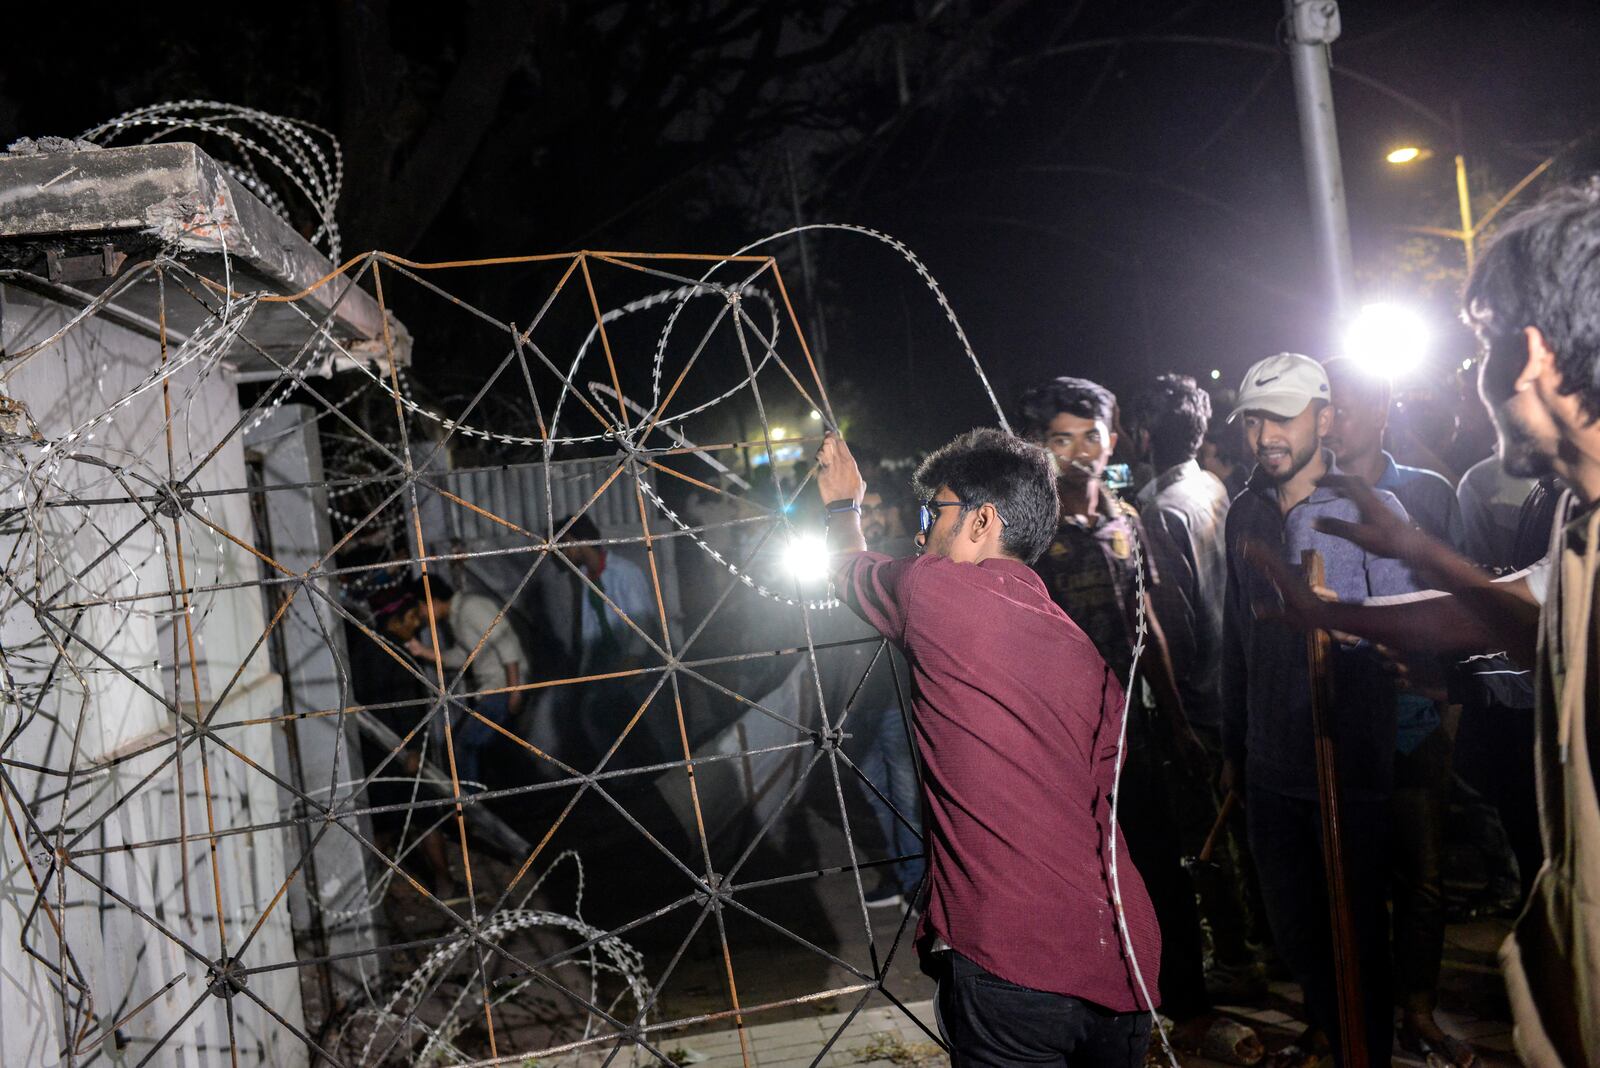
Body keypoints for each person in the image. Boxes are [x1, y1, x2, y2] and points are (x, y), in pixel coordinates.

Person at [1243, 183, 1600, 1066]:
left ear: (1530, 355)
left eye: (1476, 345)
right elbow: (1525, 617)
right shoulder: (1578, 514)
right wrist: (1349, 601)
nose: (1465, 378)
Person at [817, 427, 1159, 1066]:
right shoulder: (1087, 654)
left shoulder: (936, 592)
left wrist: (843, 506)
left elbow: (847, 568)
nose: (921, 535)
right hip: (1123, 959)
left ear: (981, 520)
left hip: (1014, 964)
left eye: (933, 513)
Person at [1016, 377, 1249, 1059]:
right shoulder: (1022, 536)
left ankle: (1187, 1008)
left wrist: (1175, 722)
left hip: (1132, 739)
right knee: (1079, 887)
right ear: (1038, 447)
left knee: (1159, 875)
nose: (1083, 453)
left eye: (1094, 436)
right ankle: (1094, 1018)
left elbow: (1146, 622)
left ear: (1114, 439)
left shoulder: (1123, 519)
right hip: (1057, 750)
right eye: (1064, 439)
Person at [1221, 352, 1423, 1067]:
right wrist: (1233, 749)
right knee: (1298, 938)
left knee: (1358, 939)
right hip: (1271, 766)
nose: (1265, 434)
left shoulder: (1371, 511)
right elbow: (1235, 636)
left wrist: (1355, 629)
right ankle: (1333, 1038)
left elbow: (1409, 637)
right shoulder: (1243, 510)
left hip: (1347, 765)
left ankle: (1365, 1052)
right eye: (1254, 419)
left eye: (1283, 416)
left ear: (1325, 418)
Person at [1321, 355, 1473, 1066]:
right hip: (1337, 720)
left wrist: (1451, 699)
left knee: (1423, 872)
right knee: (1350, 876)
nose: (1333, 421)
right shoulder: (1300, 495)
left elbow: (1468, 593)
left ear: (1380, 410)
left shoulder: (1429, 493)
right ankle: (1355, 1011)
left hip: (1417, 713)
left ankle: (1418, 1006)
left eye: (1345, 406)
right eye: (1325, 407)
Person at [852, 488, 924, 908]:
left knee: (905, 792)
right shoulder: (842, 560)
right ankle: (904, 874)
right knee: (874, 790)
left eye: (879, 508)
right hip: (859, 699)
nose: (873, 517)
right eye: (865, 510)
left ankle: (915, 881)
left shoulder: (904, 555)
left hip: (898, 694)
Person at [406, 576, 528, 792]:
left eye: (420, 607)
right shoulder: (458, 616)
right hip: (494, 690)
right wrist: (423, 652)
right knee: (481, 748)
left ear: (431, 601)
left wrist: (514, 690)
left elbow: (507, 643)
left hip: (502, 688)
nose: (422, 615)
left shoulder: (470, 608)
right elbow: (464, 655)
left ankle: (471, 807)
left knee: (463, 744)